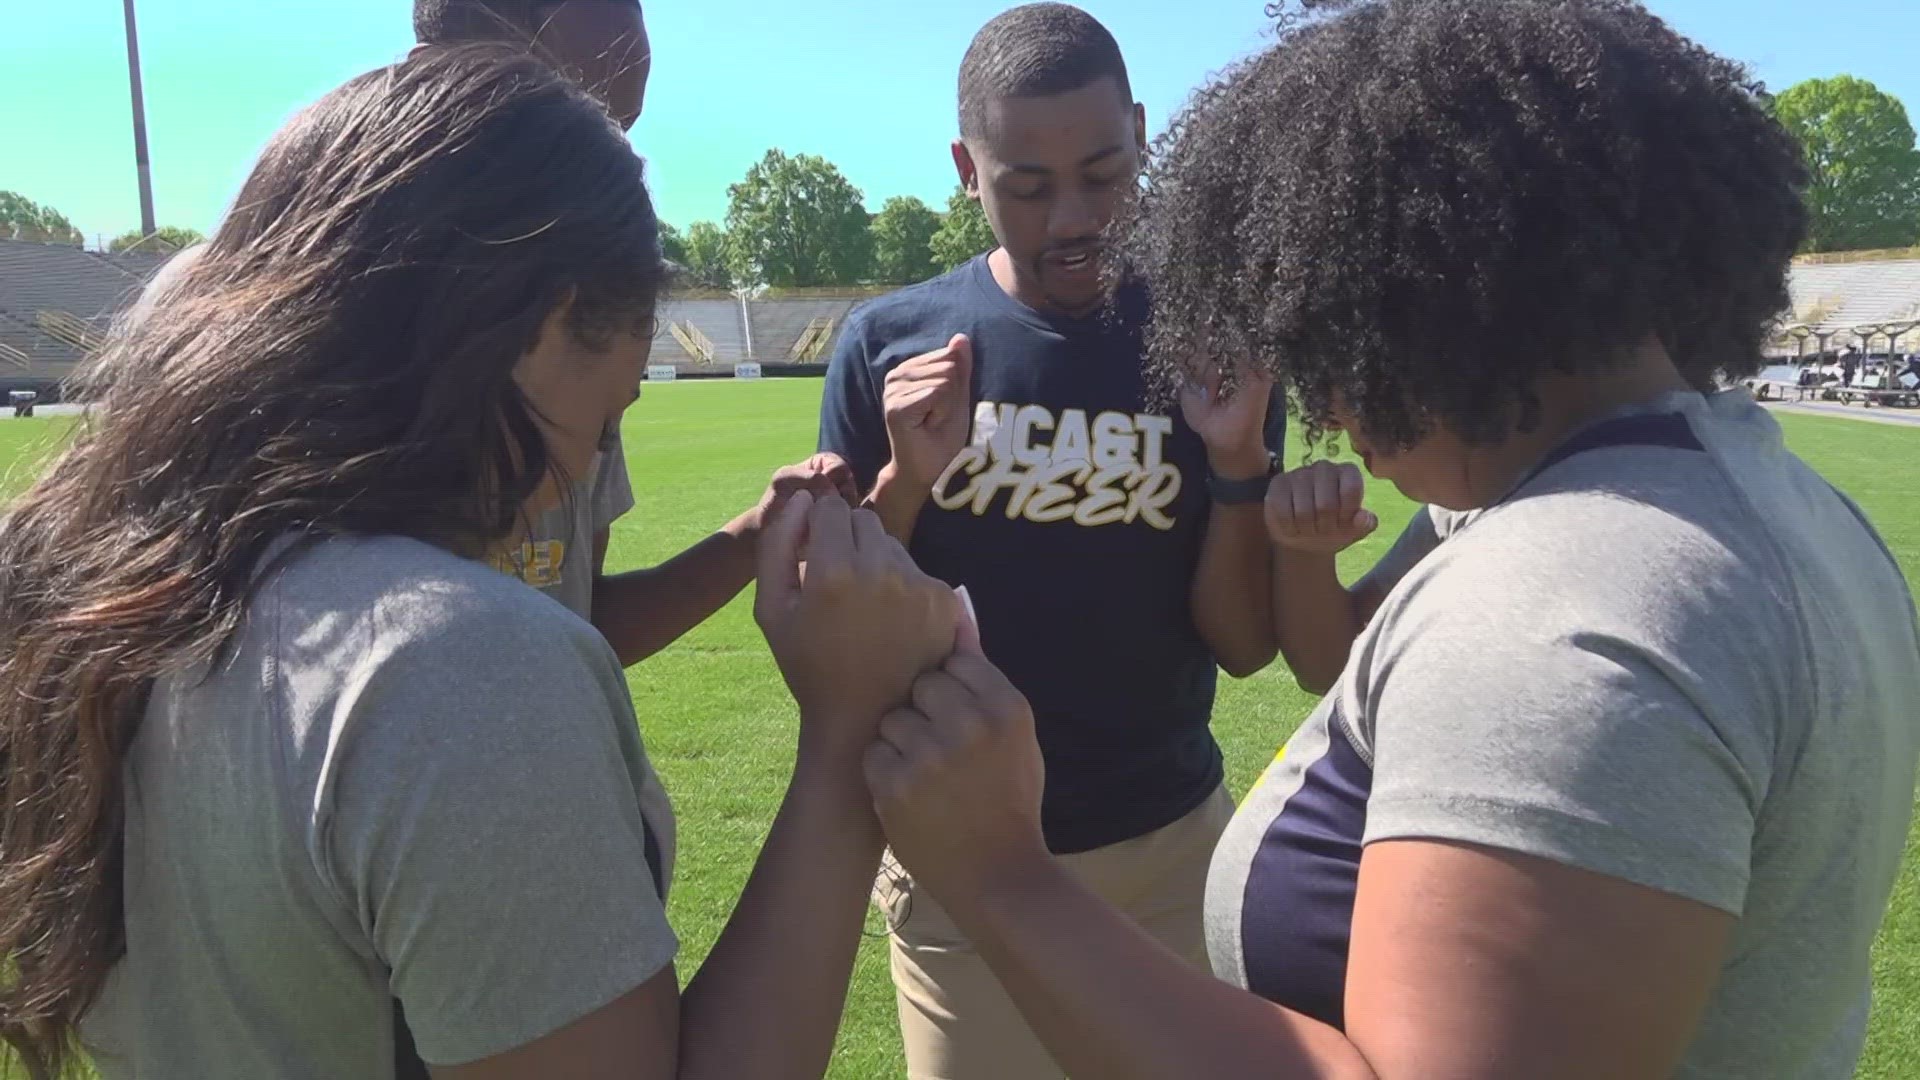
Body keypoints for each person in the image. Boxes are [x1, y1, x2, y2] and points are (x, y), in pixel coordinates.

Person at [859, 1, 1920, 1077]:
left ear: (1416, 291)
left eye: (1320, 322)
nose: (1327, 397)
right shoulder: (1779, 503)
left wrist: (1002, 877)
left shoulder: (1568, 614)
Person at [0, 49, 959, 1080]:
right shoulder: (456, 664)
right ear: (551, 322)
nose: (588, 462)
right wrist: (849, 731)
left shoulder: (118, 575)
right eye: (612, 411)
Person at [817, 5, 1280, 1076]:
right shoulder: (890, 345)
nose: (1073, 216)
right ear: (965, 171)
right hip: (957, 854)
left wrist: (1237, 461)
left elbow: (1245, 645)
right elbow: (838, 641)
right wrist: (902, 485)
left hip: (1169, 843)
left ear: (1144, 137)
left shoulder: (1209, 345)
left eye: (1105, 172)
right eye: (1027, 184)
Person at [122, 0, 835, 663]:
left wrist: (753, 537)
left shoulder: (571, 305)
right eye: (593, 122)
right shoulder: (240, 304)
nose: (612, 168)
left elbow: (576, 618)